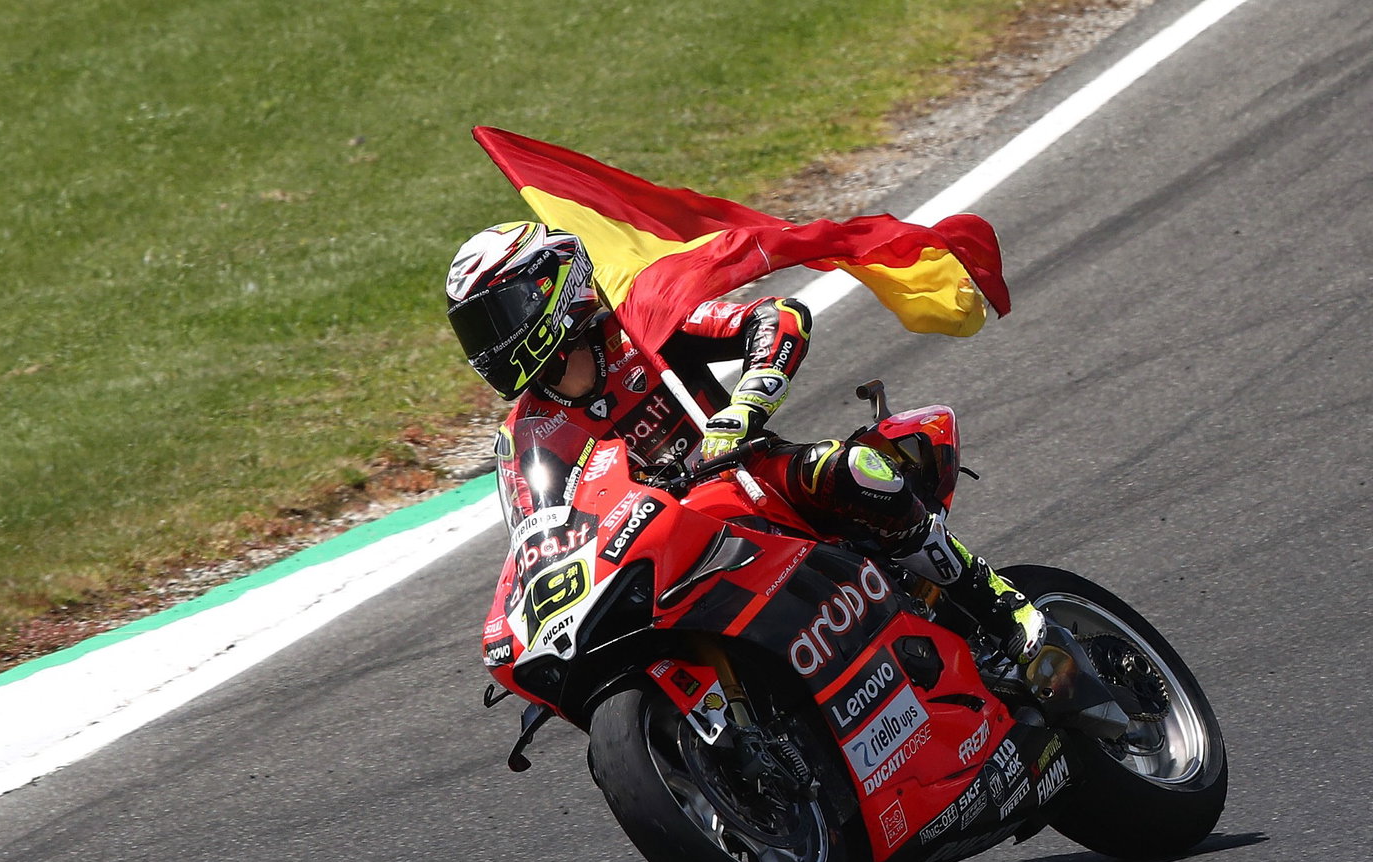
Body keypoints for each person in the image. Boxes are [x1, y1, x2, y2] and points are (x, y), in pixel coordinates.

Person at [445, 221, 1044, 665]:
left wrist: (744, 408)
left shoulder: (641, 324)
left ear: (552, 286)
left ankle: (999, 606)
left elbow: (779, 317)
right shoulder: (523, 435)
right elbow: (537, 534)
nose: (490, 344)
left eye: (499, 315)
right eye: (477, 331)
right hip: (657, 550)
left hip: (747, 481)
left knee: (856, 470)